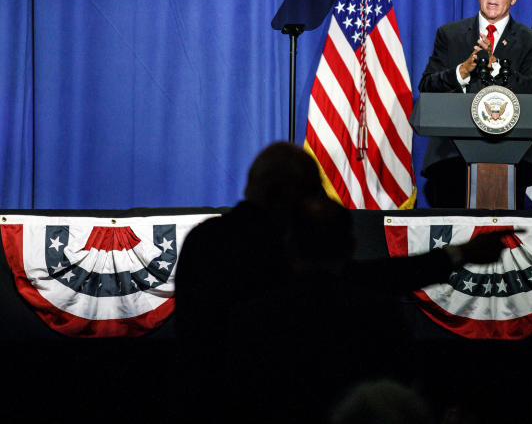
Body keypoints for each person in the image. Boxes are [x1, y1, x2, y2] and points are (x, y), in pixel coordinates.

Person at [174, 142, 512, 420]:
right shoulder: (282, 243)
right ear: (290, 194)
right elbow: (361, 281)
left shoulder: (203, 240)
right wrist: (457, 256)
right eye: (311, 191)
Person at [418, 0, 532, 208]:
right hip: (451, 159)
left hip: (511, 158)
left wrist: (496, 66)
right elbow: (427, 87)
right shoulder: (450, 34)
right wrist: (462, 71)